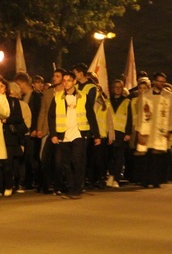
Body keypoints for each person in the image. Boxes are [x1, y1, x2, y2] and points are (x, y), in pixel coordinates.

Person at [48, 71, 99, 199]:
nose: (66, 83)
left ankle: (77, 188)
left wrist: (96, 135)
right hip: (63, 134)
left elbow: (91, 115)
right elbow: (51, 117)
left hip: (79, 132)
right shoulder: (57, 97)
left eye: (69, 80)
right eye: (64, 81)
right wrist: (53, 134)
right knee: (66, 163)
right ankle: (70, 187)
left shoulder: (83, 96)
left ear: (74, 82)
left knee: (77, 160)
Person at [133, 72, 172, 188]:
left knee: (158, 157)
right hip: (147, 129)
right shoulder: (145, 95)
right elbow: (140, 113)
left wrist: (170, 129)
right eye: (159, 81)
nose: (161, 84)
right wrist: (139, 130)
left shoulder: (168, 96)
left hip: (160, 130)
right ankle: (145, 180)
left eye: (163, 82)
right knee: (146, 156)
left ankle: (156, 180)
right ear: (154, 82)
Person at [107, 79, 131, 188]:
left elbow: (129, 119)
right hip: (110, 132)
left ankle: (116, 178)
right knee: (110, 155)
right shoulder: (107, 101)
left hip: (121, 132)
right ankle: (111, 175)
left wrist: (128, 133)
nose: (117, 89)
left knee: (119, 157)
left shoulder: (127, 102)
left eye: (120, 87)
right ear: (112, 89)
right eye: (115, 87)